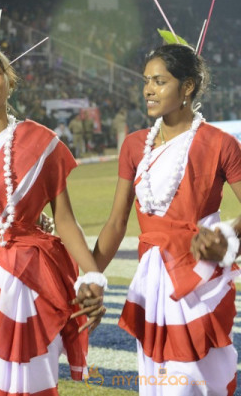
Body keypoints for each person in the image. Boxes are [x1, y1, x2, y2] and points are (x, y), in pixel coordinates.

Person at [0, 45, 106, 396]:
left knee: (32, 375)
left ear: (10, 81)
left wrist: (92, 274)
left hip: (34, 273)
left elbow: (65, 219)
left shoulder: (42, 141)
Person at [93, 43, 241, 395]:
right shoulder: (133, 145)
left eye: (159, 81)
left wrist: (227, 235)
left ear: (187, 86)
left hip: (199, 281)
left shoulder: (221, 144)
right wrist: (89, 276)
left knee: (192, 385)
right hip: (152, 286)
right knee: (158, 385)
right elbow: (116, 223)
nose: (148, 89)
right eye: (146, 81)